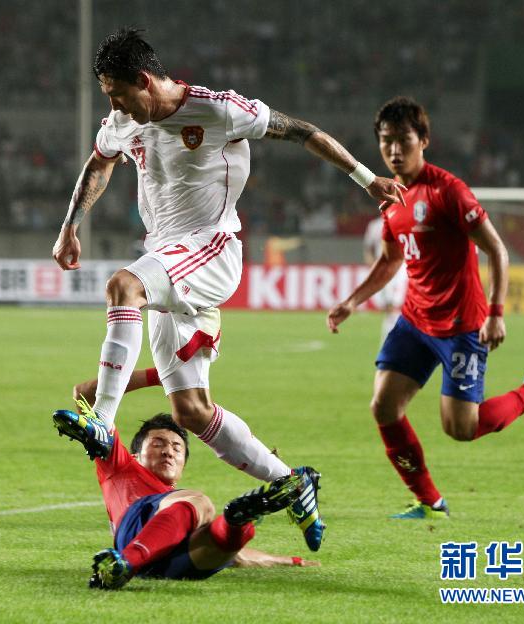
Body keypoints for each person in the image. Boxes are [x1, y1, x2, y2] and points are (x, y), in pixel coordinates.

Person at [51, 28, 405, 550]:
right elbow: (100, 160)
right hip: (170, 256)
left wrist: (365, 178)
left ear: (144, 81)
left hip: (211, 248)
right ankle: (293, 481)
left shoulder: (218, 111)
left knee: (124, 285)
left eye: (116, 92)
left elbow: (302, 131)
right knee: (191, 410)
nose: (112, 103)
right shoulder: (126, 120)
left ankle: (102, 422)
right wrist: (70, 224)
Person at [326, 97, 524, 519]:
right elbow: (389, 261)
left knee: (461, 428)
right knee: (383, 406)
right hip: (415, 320)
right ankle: (430, 503)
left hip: (461, 325)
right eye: (386, 142)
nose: (394, 150)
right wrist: (352, 300)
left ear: (424, 140)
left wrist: (496, 313)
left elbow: (497, 249)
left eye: (404, 140)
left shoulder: (449, 191)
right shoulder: (390, 199)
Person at [52, 408, 319, 589]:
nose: (169, 451)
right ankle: (127, 562)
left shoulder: (178, 500)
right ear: (135, 455)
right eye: (158, 444)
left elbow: (239, 558)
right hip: (133, 531)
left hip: (158, 565)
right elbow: (87, 395)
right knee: (200, 503)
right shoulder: (119, 465)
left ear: (183, 464)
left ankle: (239, 521)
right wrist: (160, 376)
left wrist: (287, 561)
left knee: (223, 546)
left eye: (177, 448)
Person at [363, 215, 407, 342]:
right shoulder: (374, 225)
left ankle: (392, 343)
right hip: (383, 269)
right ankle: (390, 342)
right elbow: (368, 249)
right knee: (389, 308)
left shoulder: (402, 220)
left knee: (396, 306)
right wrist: (372, 267)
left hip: (399, 269)